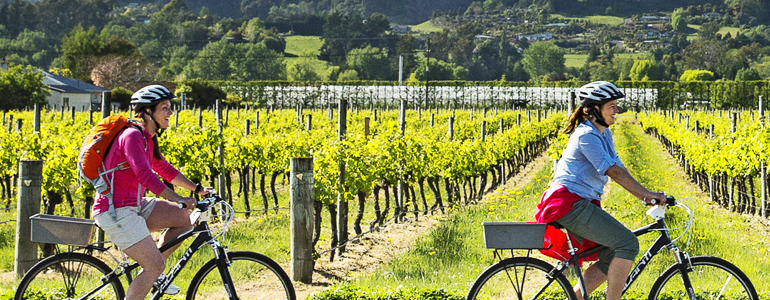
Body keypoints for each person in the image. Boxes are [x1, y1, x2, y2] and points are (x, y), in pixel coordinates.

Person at [534, 81, 665, 300]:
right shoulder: (586, 135)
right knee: (627, 243)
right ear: (594, 110)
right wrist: (647, 195)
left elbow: (620, 167)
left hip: (579, 202)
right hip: (568, 202)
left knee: (612, 252)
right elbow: (613, 172)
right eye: (611, 105)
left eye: (616, 105)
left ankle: (574, 298)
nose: (617, 110)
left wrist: (647, 193)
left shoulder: (603, 134)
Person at [92, 85, 212, 299]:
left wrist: (197, 189)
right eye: (165, 107)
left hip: (133, 204)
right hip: (115, 210)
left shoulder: (147, 138)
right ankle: (153, 271)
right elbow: (145, 176)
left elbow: (163, 168)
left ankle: (153, 276)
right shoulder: (132, 136)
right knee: (153, 265)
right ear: (148, 112)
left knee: (184, 219)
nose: (170, 112)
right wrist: (179, 198)